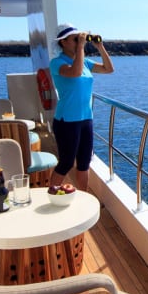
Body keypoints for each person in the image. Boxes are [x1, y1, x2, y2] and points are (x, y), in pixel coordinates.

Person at [48, 23, 114, 191]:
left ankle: (83, 198)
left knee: (84, 162)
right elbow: (75, 73)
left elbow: (108, 69)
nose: (79, 42)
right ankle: (52, 193)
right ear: (63, 42)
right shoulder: (57, 63)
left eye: (80, 39)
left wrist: (100, 47)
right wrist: (82, 48)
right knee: (66, 162)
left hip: (86, 119)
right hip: (67, 120)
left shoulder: (84, 61)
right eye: (75, 39)